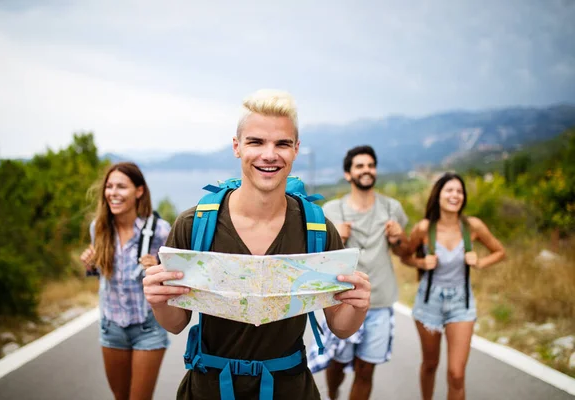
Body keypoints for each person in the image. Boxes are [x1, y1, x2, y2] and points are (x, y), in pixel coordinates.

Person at [142, 89, 371, 399]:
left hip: (289, 390)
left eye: (282, 144)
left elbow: (341, 327)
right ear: (237, 147)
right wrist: (157, 300)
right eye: (256, 142)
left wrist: (358, 306)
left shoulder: (316, 229)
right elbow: (176, 324)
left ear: (296, 149)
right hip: (210, 389)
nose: (269, 154)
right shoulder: (194, 225)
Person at [310, 145, 410, 400]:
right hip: (342, 302)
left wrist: (399, 239)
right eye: (360, 166)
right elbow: (317, 260)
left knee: (366, 371)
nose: (366, 170)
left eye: (370, 165)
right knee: (338, 363)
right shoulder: (330, 211)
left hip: (380, 301)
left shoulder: (392, 208)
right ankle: (333, 395)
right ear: (348, 174)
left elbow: (404, 253)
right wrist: (336, 239)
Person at [401, 172, 505, 400]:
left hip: (461, 304)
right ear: (438, 195)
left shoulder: (473, 226)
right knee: (430, 364)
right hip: (429, 304)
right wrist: (421, 262)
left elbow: (499, 252)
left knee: (456, 374)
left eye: (459, 191)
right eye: (449, 190)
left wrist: (479, 262)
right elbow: (405, 256)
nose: (455, 195)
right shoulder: (423, 228)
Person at [80, 161, 172, 400]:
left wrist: (159, 268)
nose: (113, 193)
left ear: (138, 191)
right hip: (111, 328)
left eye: (121, 186)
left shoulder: (160, 231)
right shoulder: (99, 228)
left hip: (147, 329)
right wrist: (92, 264)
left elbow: (177, 278)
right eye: (109, 186)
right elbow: (108, 273)